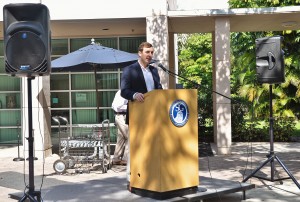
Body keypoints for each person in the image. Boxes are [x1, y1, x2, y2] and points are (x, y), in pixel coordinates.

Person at [120, 41, 163, 186]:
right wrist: (134, 94)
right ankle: (131, 179)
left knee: (151, 148)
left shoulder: (154, 71)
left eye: (151, 52)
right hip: (138, 116)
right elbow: (124, 91)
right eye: (147, 52)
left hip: (153, 117)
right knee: (136, 148)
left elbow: (159, 91)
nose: (150, 55)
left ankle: (149, 176)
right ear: (140, 53)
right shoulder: (129, 70)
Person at [111, 90, 128, 165]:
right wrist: (131, 106)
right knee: (130, 136)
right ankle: (126, 159)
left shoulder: (122, 91)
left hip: (121, 116)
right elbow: (118, 106)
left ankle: (116, 158)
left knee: (121, 138)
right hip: (121, 116)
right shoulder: (123, 92)